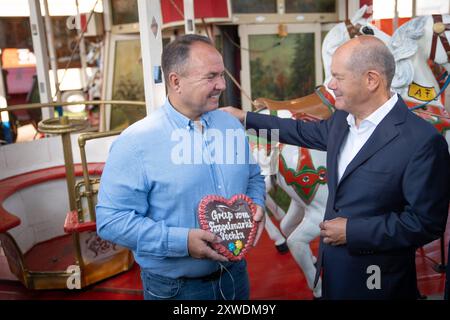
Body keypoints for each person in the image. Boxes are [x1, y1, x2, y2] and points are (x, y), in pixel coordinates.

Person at [222, 35, 450, 299]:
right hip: (333, 272)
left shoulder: (421, 141)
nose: (330, 86)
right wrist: (245, 118)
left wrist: (352, 231)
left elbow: (425, 223)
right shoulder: (343, 120)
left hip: (378, 282)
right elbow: (299, 131)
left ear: (371, 80)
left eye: (338, 77)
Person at [96, 34, 266, 300]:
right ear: (176, 81)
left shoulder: (230, 125)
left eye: (221, 75)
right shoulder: (135, 143)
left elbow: (253, 176)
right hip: (175, 290)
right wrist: (182, 242)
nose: (221, 84)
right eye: (210, 77)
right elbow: (111, 221)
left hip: (236, 277)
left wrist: (257, 205)